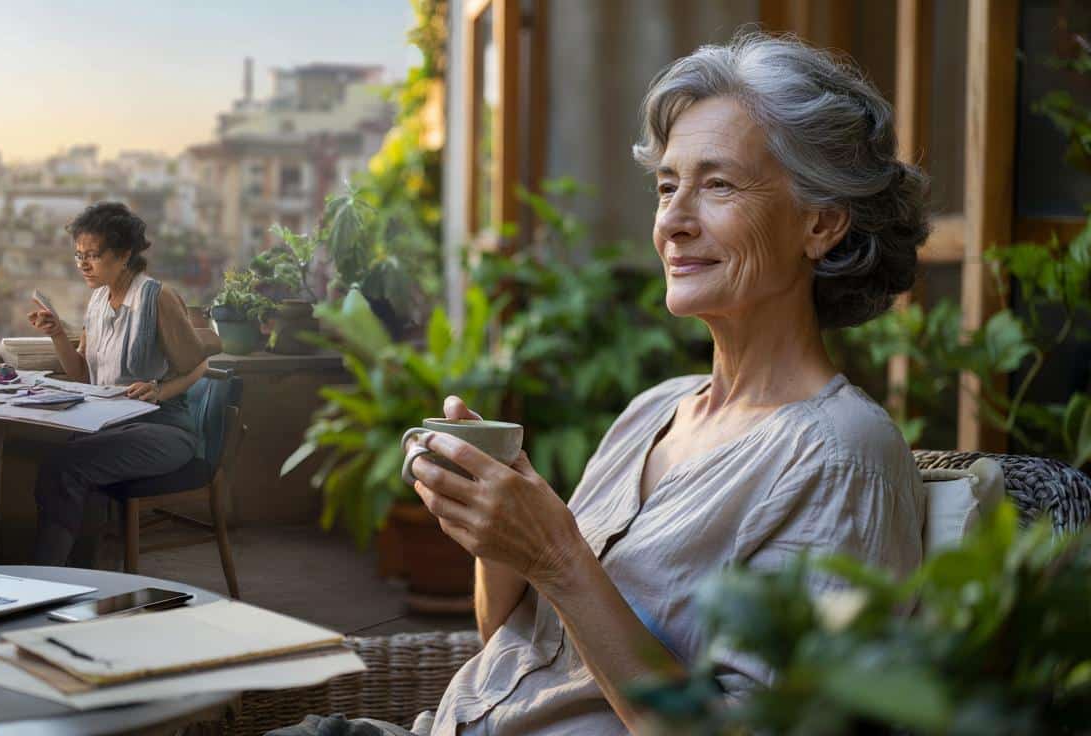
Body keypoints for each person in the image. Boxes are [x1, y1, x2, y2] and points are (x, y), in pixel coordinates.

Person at [272, 32, 931, 736]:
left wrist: (556, 555)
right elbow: (513, 642)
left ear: (821, 223)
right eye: (667, 186)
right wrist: (502, 533)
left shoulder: (842, 457)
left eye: (717, 185)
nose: (674, 222)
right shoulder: (654, 412)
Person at [27, 202, 214, 566]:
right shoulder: (97, 300)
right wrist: (56, 336)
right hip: (112, 424)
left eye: (93, 255)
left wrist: (160, 391)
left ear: (125, 254)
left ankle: (47, 577)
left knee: (65, 466)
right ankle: (83, 575)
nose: (83, 264)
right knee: (61, 457)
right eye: (79, 255)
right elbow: (83, 374)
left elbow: (198, 363)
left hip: (163, 429)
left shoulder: (156, 298)